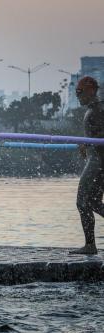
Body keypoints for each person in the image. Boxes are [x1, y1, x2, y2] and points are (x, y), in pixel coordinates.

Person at [70, 76, 104, 255]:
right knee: (94, 202)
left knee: (82, 202)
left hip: (97, 163)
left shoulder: (98, 109)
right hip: (96, 161)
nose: (78, 96)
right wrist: (86, 143)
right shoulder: (93, 109)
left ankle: (90, 245)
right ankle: (90, 244)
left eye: (80, 92)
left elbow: (101, 136)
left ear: (91, 91)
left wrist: (88, 143)